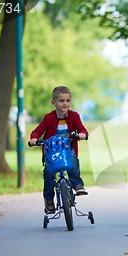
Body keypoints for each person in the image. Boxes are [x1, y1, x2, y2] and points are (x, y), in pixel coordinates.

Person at [29, 86, 89, 214]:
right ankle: (49, 200)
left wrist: (82, 134)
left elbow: (82, 129)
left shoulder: (74, 116)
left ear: (70, 102)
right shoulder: (48, 118)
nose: (65, 103)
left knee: (73, 162)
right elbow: (37, 131)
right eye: (61, 101)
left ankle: (77, 185)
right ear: (53, 103)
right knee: (49, 173)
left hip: (67, 149)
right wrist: (34, 138)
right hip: (52, 151)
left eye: (67, 100)